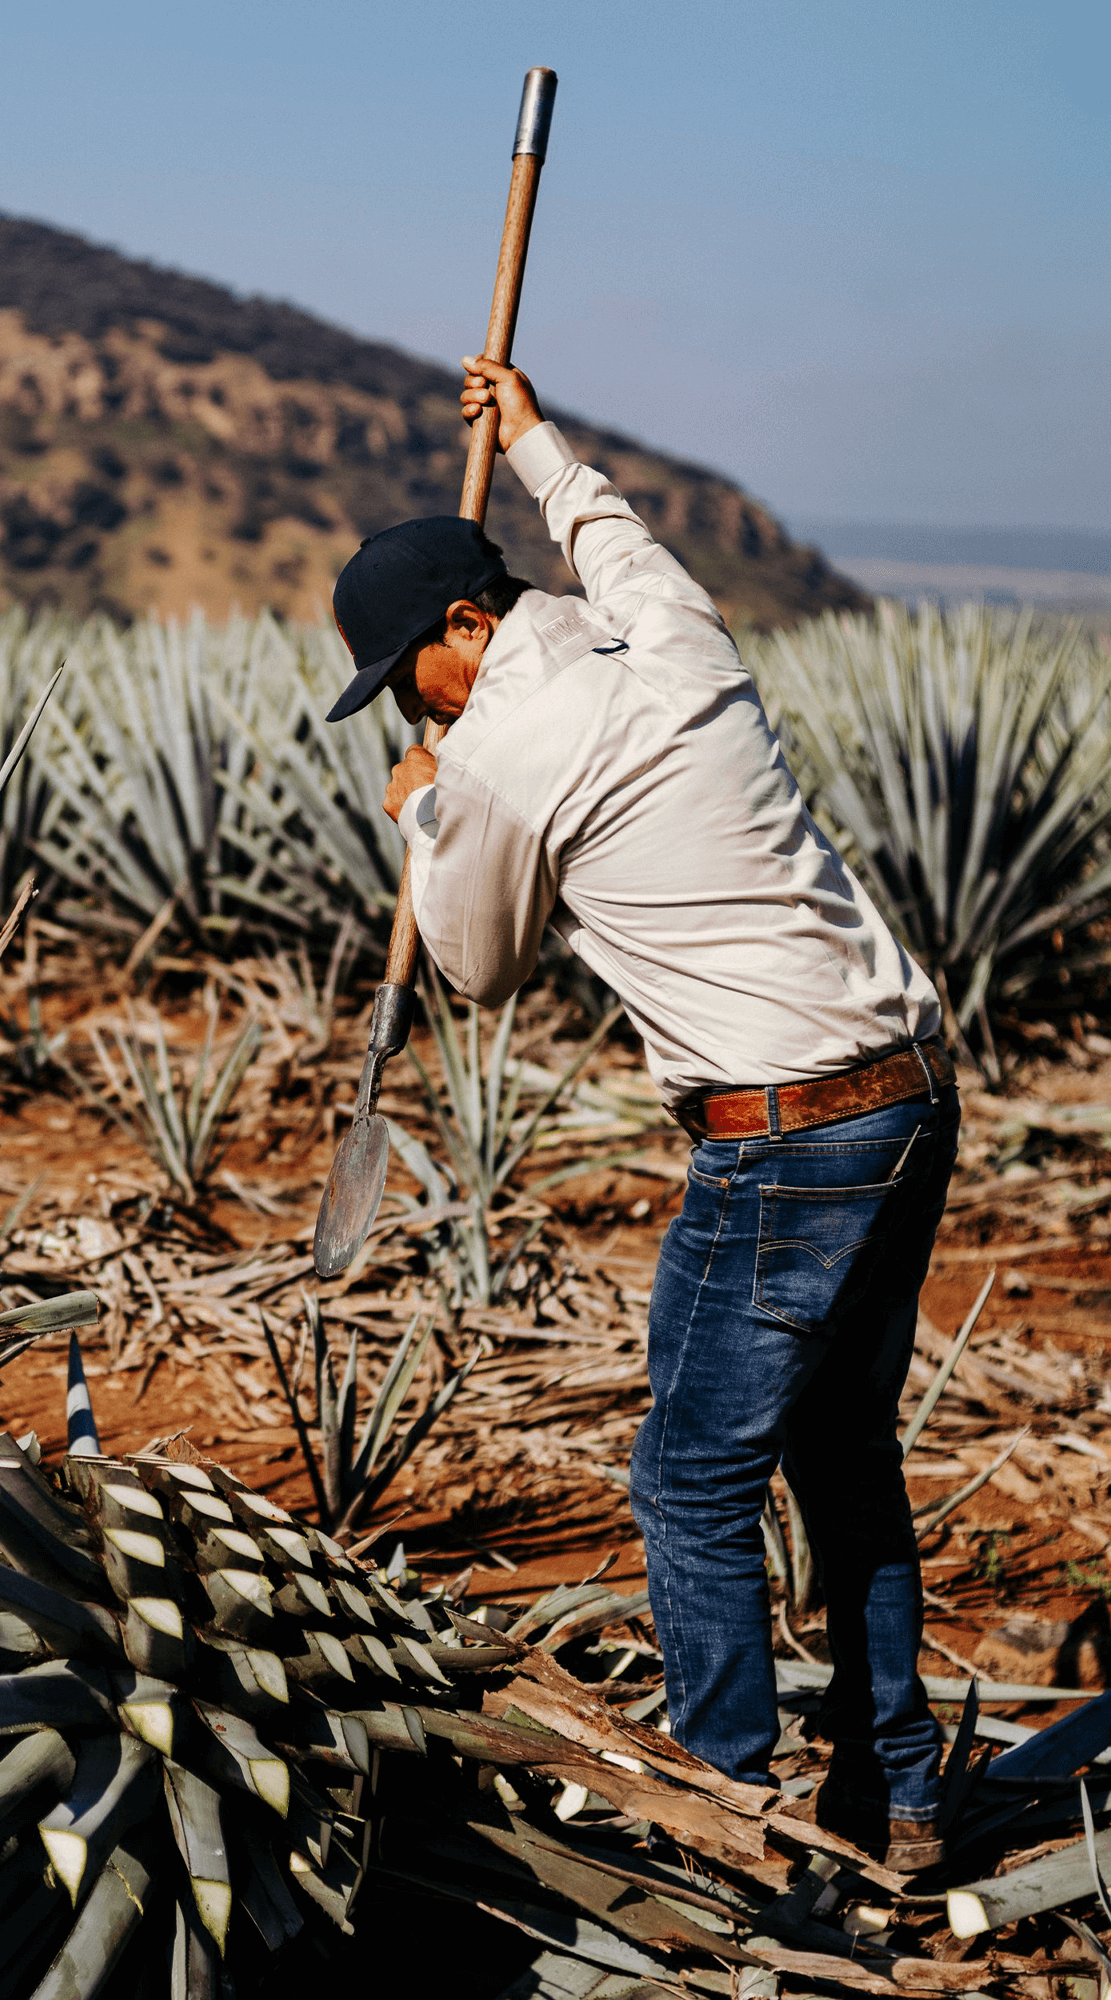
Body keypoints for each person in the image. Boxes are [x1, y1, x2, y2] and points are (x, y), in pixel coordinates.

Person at [325, 355, 957, 1872]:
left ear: (462, 633)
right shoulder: (670, 628)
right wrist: (531, 436)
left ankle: (717, 1815)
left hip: (785, 1134)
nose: (407, 703)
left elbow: (476, 969)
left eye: (410, 672)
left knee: (690, 1480)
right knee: (846, 1456)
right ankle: (904, 1795)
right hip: (910, 1096)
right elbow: (608, 531)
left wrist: (423, 808)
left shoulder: (495, 758)